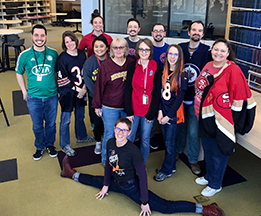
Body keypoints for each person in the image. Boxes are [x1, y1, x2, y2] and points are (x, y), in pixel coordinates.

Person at [60, 117, 226, 216]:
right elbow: (109, 167)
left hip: (132, 187)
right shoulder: (110, 142)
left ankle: (204, 208)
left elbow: (143, 178)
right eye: (118, 129)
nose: (120, 132)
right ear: (114, 129)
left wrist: (144, 201)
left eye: (124, 130)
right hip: (116, 182)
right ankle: (70, 173)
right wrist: (105, 185)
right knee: (96, 181)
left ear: (130, 133)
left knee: (166, 207)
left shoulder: (133, 151)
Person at [194, 38, 256, 197]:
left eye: (222, 51)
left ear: (228, 53)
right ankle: (209, 176)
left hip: (221, 120)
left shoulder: (233, 70)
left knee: (218, 153)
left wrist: (232, 122)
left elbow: (238, 97)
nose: (218, 53)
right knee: (208, 150)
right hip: (205, 116)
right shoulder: (208, 65)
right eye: (216, 49)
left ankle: (215, 184)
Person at [15, 24, 58, 161]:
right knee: (37, 125)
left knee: (51, 123)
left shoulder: (53, 53)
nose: (39, 38)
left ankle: (50, 144)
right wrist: (23, 91)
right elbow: (18, 73)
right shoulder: (25, 55)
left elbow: (57, 72)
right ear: (32, 36)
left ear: (46, 36)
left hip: (52, 96)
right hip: (34, 97)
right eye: (36, 35)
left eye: (42, 35)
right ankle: (39, 146)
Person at [175, 20, 212, 175]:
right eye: (193, 30)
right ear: (189, 32)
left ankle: (193, 160)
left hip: (196, 100)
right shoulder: (180, 48)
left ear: (202, 34)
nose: (196, 33)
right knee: (179, 128)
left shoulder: (207, 52)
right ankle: (177, 151)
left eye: (199, 30)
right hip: (179, 98)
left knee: (192, 131)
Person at [92, 37, 133, 165]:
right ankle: (106, 160)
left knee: (127, 136)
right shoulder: (105, 65)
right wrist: (97, 106)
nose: (118, 50)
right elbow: (98, 86)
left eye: (121, 47)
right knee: (110, 135)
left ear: (126, 49)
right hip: (110, 107)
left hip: (127, 108)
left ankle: (123, 161)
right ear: (111, 50)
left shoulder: (131, 63)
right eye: (116, 47)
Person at [57, 31, 94, 157]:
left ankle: (81, 136)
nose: (70, 44)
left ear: (76, 40)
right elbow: (62, 80)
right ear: (64, 44)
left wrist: (83, 88)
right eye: (67, 42)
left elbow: (85, 73)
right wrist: (78, 90)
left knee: (80, 116)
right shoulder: (62, 58)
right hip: (67, 92)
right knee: (65, 120)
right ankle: (65, 144)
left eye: (71, 40)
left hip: (81, 91)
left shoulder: (82, 54)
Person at [125, 38, 162, 164]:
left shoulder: (155, 66)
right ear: (137, 51)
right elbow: (128, 89)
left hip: (148, 111)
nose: (144, 52)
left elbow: (157, 92)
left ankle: (141, 164)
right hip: (133, 109)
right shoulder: (132, 65)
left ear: (150, 51)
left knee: (145, 139)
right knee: (129, 137)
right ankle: (128, 164)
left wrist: (152, 113)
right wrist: (128, 111)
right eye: (141, 49)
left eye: (147, 49)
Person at [154, 45, 187, 182]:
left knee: (169, 144)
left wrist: (168, 116)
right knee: (167, 141)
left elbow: (179, 99)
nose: (173, 57)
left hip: (173, 115)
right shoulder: (164, 72)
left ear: (179, 57)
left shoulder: (182, 75)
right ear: (166, 55)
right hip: (164, 112)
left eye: (176, 54)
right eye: (170, 54)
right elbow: (161, 95)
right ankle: (171, 166)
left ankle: (166, 170)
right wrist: (160, 112)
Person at [83, 36, 108, 155]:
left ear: (107, 48)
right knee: (97, 122)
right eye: (96, 46)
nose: (99, 49)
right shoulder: (89, 62)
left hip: (110, 97)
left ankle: (109, 142)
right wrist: (99, 98)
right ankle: (98, 141)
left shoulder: (112, 60)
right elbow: (88, 82)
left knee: (110, 121)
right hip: (95, 97)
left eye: (102, 46)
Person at [149, 23, 170, 150]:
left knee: (162, 112)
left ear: (164, 33)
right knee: (150, 112)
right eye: (155, 31)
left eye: (160, 31)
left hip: (165, 87)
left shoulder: (169, 49)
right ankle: (149, 137)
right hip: (149, 87)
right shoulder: (148, 48)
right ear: (152, 33)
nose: (158, 33)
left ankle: (163, 138)